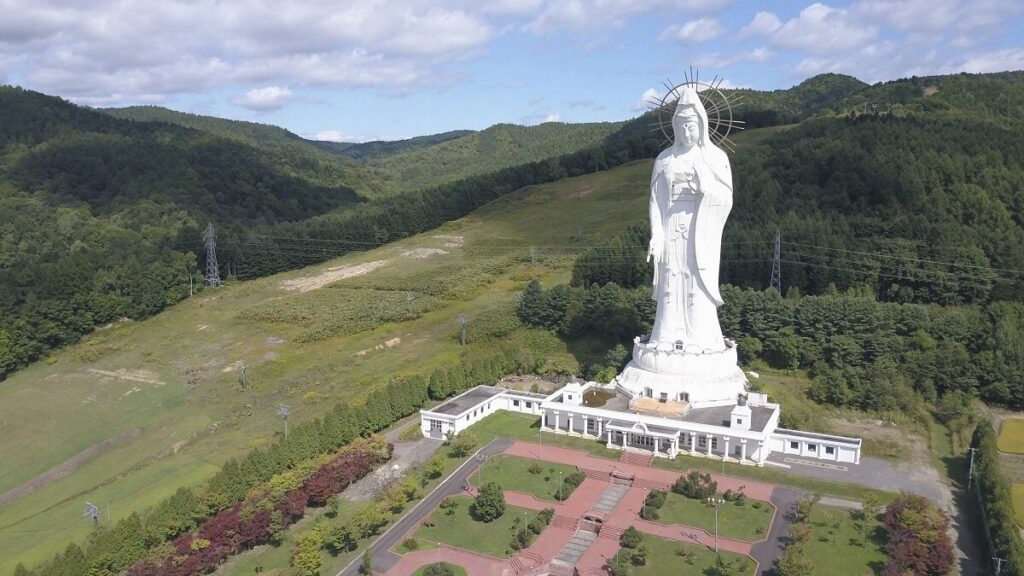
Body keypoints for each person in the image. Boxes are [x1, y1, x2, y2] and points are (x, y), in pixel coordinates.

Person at [646, 86, 733, 352]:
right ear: (674, 126)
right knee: (672, 283)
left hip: (700, 229)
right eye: (681, 126)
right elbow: (655, 201)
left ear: (702, 125)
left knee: (695, 280)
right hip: (672, 228)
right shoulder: (664, 160)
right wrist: (657, 236)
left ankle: (703, 338)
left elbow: (725, 198)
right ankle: (665, 335)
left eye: (691, 126)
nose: (686, 133)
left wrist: (705, 188)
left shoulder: (716, 158)